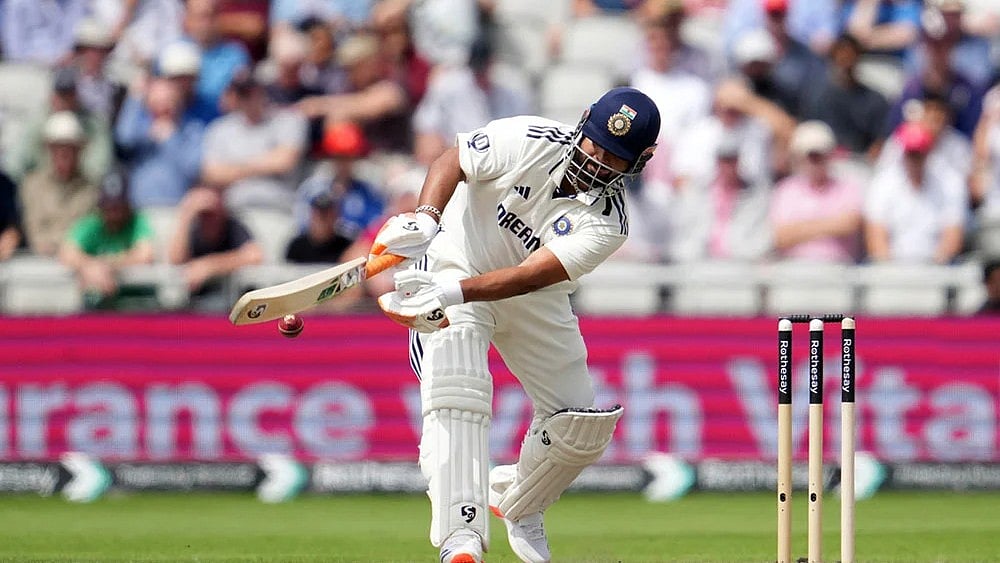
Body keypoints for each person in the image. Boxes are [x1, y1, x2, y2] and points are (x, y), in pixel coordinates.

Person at [372, 87, 660, 563]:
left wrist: (453, 292)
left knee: (580, 426)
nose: (598, 160)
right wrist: (426, 220)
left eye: (615, 157)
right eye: (595, 143)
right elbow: (453, 159)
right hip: (456, 257)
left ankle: (520, 504)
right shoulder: (529, 136)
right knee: (457, 390)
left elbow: (530, 276)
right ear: (583, 121)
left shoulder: (609, 223)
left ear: (640, 161)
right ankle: (460, 539)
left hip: (530, 296)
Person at [770, 121, 864, 263]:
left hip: (838, 271)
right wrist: (830, 225)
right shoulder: (786, 189)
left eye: (819, 155)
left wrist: (799, 229)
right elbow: (780, 237)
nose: (814, 161)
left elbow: (849, 225)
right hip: (794, 270)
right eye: (810, 155)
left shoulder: (848, 187)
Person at [59, 170, 156, 308]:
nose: (113, 213)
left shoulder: (137, 222)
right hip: (99, 302)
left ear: (127, 204)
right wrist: (90, 267)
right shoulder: (92, 224)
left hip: (136, 301)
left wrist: (108, 265)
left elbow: (146, 255)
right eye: (109, 206)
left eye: (118, 206)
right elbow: (67, 253)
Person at [167, 187, 263, 309]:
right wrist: (186, 215)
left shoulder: (233, 226)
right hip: (194, 304)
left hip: (229, 303)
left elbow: (254, 255)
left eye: (212, 213)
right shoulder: (193, 229)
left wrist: (210, 266)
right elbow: (176, 260)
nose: (208, 219)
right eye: (203, 214)